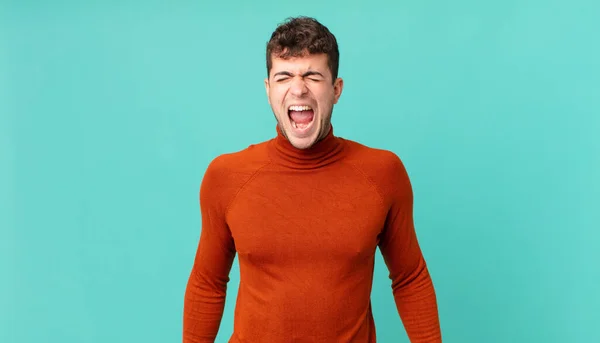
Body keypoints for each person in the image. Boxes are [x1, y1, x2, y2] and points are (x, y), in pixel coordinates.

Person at [183, 16, 442, 343]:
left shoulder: (382, 173)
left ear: (336, 90)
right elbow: (207, 282)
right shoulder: (227, 177)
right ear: (268, 90)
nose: (298, 87)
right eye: (284, 76)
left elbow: (410, 278)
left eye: (312, 75)